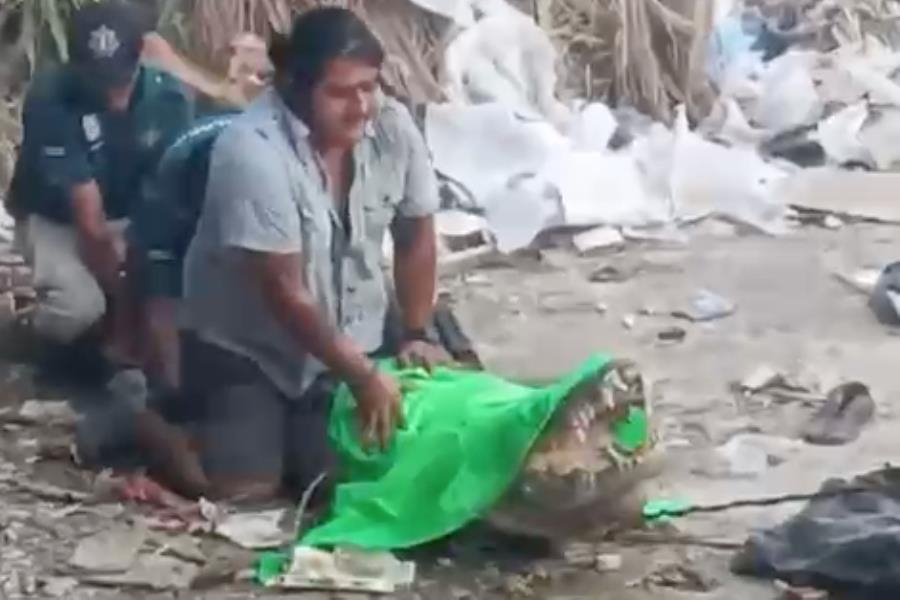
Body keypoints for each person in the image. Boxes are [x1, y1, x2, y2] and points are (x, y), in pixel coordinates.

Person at [181, 7, 449, 502]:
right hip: (252, 348)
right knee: (244, 490)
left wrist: (415, 331)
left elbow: (416, 233)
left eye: (369, 87)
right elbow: (285, 292)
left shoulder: (392, 126)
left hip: (348, 333)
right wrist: (365, 377)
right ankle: (140, 415)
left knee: (343, 473)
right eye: (340, 93)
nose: (361, 107)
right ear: (294, 87)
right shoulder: (250, 150)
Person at [7, 1, 192, 374]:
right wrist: (124, 303)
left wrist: (147, 270)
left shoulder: (170, 98)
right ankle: (26, 336)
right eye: (98, 81)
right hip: (55, 217)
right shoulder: (50, 98)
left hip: (131, 213)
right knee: (79, 309)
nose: (112, 95)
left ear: (141, 54)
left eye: (120, 79)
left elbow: (169, 194)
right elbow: (89, 222)